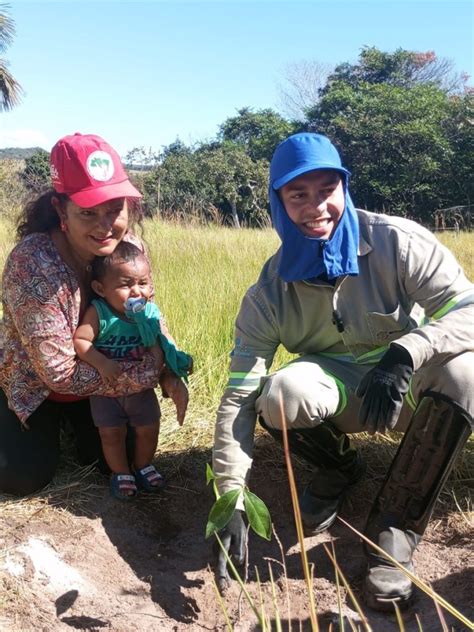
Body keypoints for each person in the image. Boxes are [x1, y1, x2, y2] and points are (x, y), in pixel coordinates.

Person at [212, 133, 473, 610]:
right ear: (278, 202)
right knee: (279, 394)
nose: (317, 207)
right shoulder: (268, 293)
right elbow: (238, 397)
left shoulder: (397, 241)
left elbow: (469, 308)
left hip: (406, 385)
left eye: (327, 189)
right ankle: (340, 468)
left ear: (345, 188)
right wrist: (229, 495)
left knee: (468, 375)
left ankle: (395, 528)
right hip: (342, 389)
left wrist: (408, 351)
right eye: (298, 195)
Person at [0, 132, 187, 497]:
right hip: (37, 385)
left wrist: (171, 368)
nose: (106, 226)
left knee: (128, 459)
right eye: (88, 212)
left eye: (115, 209)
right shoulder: (32, 263)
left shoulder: (130, 247)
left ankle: (77, 425)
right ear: (60, 210)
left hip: (105, 381)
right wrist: (150, 371)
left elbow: (149, 314)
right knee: (21, 477)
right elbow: (58, 373)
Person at [73, 240, 192, 499]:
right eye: (126, 285)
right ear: (100, 288)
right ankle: (121, 472)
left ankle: (144, 465)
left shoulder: (149, 313)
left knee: (149, 427)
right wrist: (102, 363)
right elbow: (81, 341)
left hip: (140, 390)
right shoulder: (100, 312)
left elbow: (162, 340)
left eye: (143, 283)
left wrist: (173, 364)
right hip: (107, 391)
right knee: (111, 434)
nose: (136, 291)